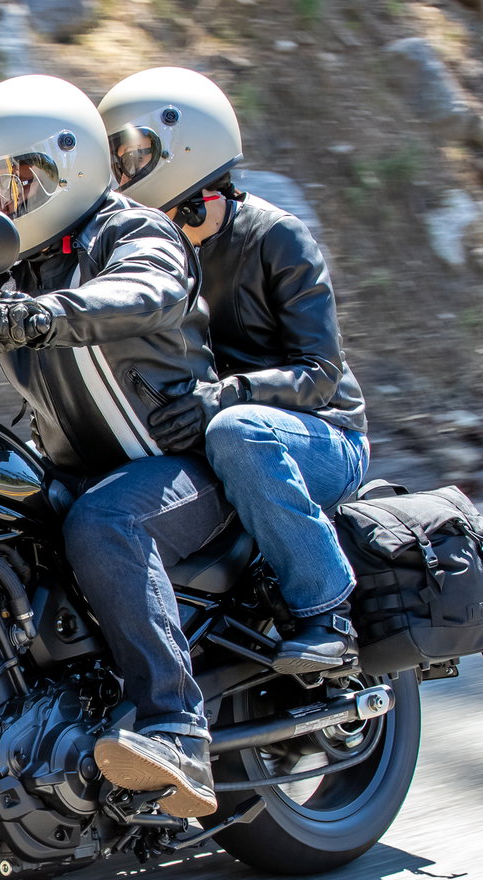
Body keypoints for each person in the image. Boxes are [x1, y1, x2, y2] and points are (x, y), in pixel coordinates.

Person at [0, 74, 228, 817]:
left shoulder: (131, 232)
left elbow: (146, 290)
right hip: (81, 473)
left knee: (106, 523)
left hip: (184, 471)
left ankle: (176, 727)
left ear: (63, 169)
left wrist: (43, 315)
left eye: (10, 181)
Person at [98, 67, 369, 675]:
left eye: (133, 154)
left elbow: (320, 374)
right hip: (222, 431)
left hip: (320, 435)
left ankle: (328, 611)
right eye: (113, 158)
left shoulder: (278, 238)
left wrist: (224, 397)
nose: (120, 172)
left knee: (237, 431)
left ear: (187, 149)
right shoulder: (143, 257)